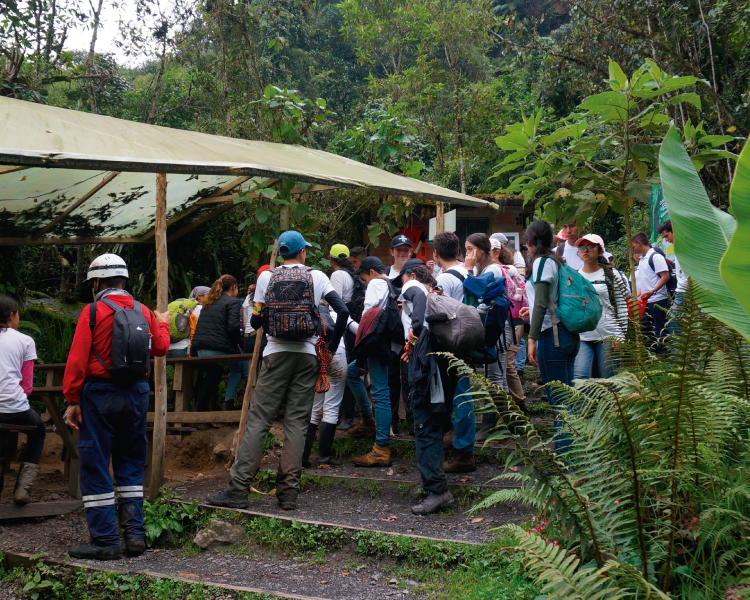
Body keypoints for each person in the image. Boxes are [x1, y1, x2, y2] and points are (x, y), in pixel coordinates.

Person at [207, 231, 348, 511]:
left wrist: (271, 318)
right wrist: (329, 349)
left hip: (275, 355)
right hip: (307, 357)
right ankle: (288, 494)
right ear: (302, 252)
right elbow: (342, 311)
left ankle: (237, 490)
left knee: (259, 420)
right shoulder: (317, 276)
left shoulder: (266, 278)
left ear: (281, 252)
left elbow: (257, 321)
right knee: (297, 422)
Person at [63, 253, 170, 560]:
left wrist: (72, 399)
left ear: (96, 282)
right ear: (124, 280)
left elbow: (77, 358)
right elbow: (161, 347)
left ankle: (106, 540)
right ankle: (135, 537)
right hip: (137, 394)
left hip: (100, 395)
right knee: (130, 461)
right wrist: (161, 325)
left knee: (96, 463)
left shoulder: (93, 311)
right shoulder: (144, 311)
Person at [394, 259, 455, 514]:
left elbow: (417, 317)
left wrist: (413, 336)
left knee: (424, 425)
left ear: (409, 275)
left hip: (427, 373)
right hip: (440, 369)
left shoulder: (415, 287)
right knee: (432, 424)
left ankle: (437, 491)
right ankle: (437, 488)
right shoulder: (436, 292)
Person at [523, 220, 580, 454]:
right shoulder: (556, 261)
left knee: (560, 402)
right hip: (567, 334)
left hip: (553, 337)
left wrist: (531, 338)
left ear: (529, 243)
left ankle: (566, 460)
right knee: (567, 400)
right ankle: (573, 456)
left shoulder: (541, 263)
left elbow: (542, 304)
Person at [432, 232, 476, 471]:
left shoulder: (444, 280)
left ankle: (464, 452)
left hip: (451, 341)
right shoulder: (467, 271)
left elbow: (439, 312)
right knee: (459, 393)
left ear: (436, 253)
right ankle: (458, 440)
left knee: (460, 396)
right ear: (458, 251)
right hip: (467, 338)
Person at [464, 233, 512, 443]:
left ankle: (491, 424)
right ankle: (511, 422)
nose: (467, 254)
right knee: (495, 376)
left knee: (495, 376)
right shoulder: (484, 268)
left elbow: (476, 291)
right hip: (492, 327)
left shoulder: (491, 269)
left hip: (498, 329)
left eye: (470, 249)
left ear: (481, 250)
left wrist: (467, 270)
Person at [346, 256, 394, 465]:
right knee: (352, 372)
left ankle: (381, 448)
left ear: (371, 272)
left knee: (381, 392)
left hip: (376, 343)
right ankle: (368, 420)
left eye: (364, 277)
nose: (364, 282)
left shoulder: (375, 283)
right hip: (387, 343)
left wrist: (347, 322)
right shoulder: (392, 283)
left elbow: (366, 319)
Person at [0, 295, 46, 505]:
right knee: (38, 430)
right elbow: (27, 386)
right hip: (14, 407)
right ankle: (22, 489)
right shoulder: (25, 341)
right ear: (11, 316)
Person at [301, 300, 353, 469]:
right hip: (335, 355)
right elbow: (357, 330)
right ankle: (324, 457)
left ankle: (303, 457)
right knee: (331, 407)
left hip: (314, 356)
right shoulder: (336, 314)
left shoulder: (308, 316)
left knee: (315, 409)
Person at [573, 234, 629, 380]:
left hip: (608, 334)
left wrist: (620, 335)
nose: (586, 250)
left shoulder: (611, 274)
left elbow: (622, 305)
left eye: (591, 247)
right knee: (580, 377)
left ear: (599, 251)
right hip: (582, 336)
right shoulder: (574, 276)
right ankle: (584, 404)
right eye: (582, 247)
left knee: (608, 379)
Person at [191, 275, 248, 411]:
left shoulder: (209, 302)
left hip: (199, 350)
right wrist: (238, 343)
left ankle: (200, 405)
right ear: (234, 287)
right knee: (237, 367)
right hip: (216, 348)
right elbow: (233, 327)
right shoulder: (232, 302)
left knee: (215, 371)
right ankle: (228, 403)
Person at [490, 235, 527, 416]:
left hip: (512, 321)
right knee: (506, 365)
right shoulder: (507, 268)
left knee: (508, 365)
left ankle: (519, 407)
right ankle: (515, 410)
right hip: (511, 321)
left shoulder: (505, 270)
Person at [328, 245, 362, 432]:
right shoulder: (352, 274)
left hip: (344, 327)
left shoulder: (337, 276)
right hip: (353, 325)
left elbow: (336, 305)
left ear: (331, 260)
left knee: (344, 371)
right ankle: (348, 415)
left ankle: (346, 417)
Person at [387, 234, 414, 433]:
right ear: (392, 252)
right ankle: (391, 420)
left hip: (409, 337)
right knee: (390, 381)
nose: (402, 252)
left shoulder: (415, 274)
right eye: (399, 249)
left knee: (410, 379)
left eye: (406, 249)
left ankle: (413, 421)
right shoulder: (384, 275)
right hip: (388, 337)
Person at [632, 232, 670, 352]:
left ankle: (664, 356)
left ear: (639, 243)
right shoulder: (642, 259)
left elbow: (665, 276)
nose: (633, 249)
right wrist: (635, 296)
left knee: (661, 329)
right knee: (645, 328)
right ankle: (653, 354)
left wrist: (653, 291)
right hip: (646, 301)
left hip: (659, 299)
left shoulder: (655, 257)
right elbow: (645, 281)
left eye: (633, 246)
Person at [242, 266, 270, 354]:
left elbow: (246, 318)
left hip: (248, 336)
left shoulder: (249, 296)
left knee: (251, 366)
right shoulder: (270, 293)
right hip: (260, 336)